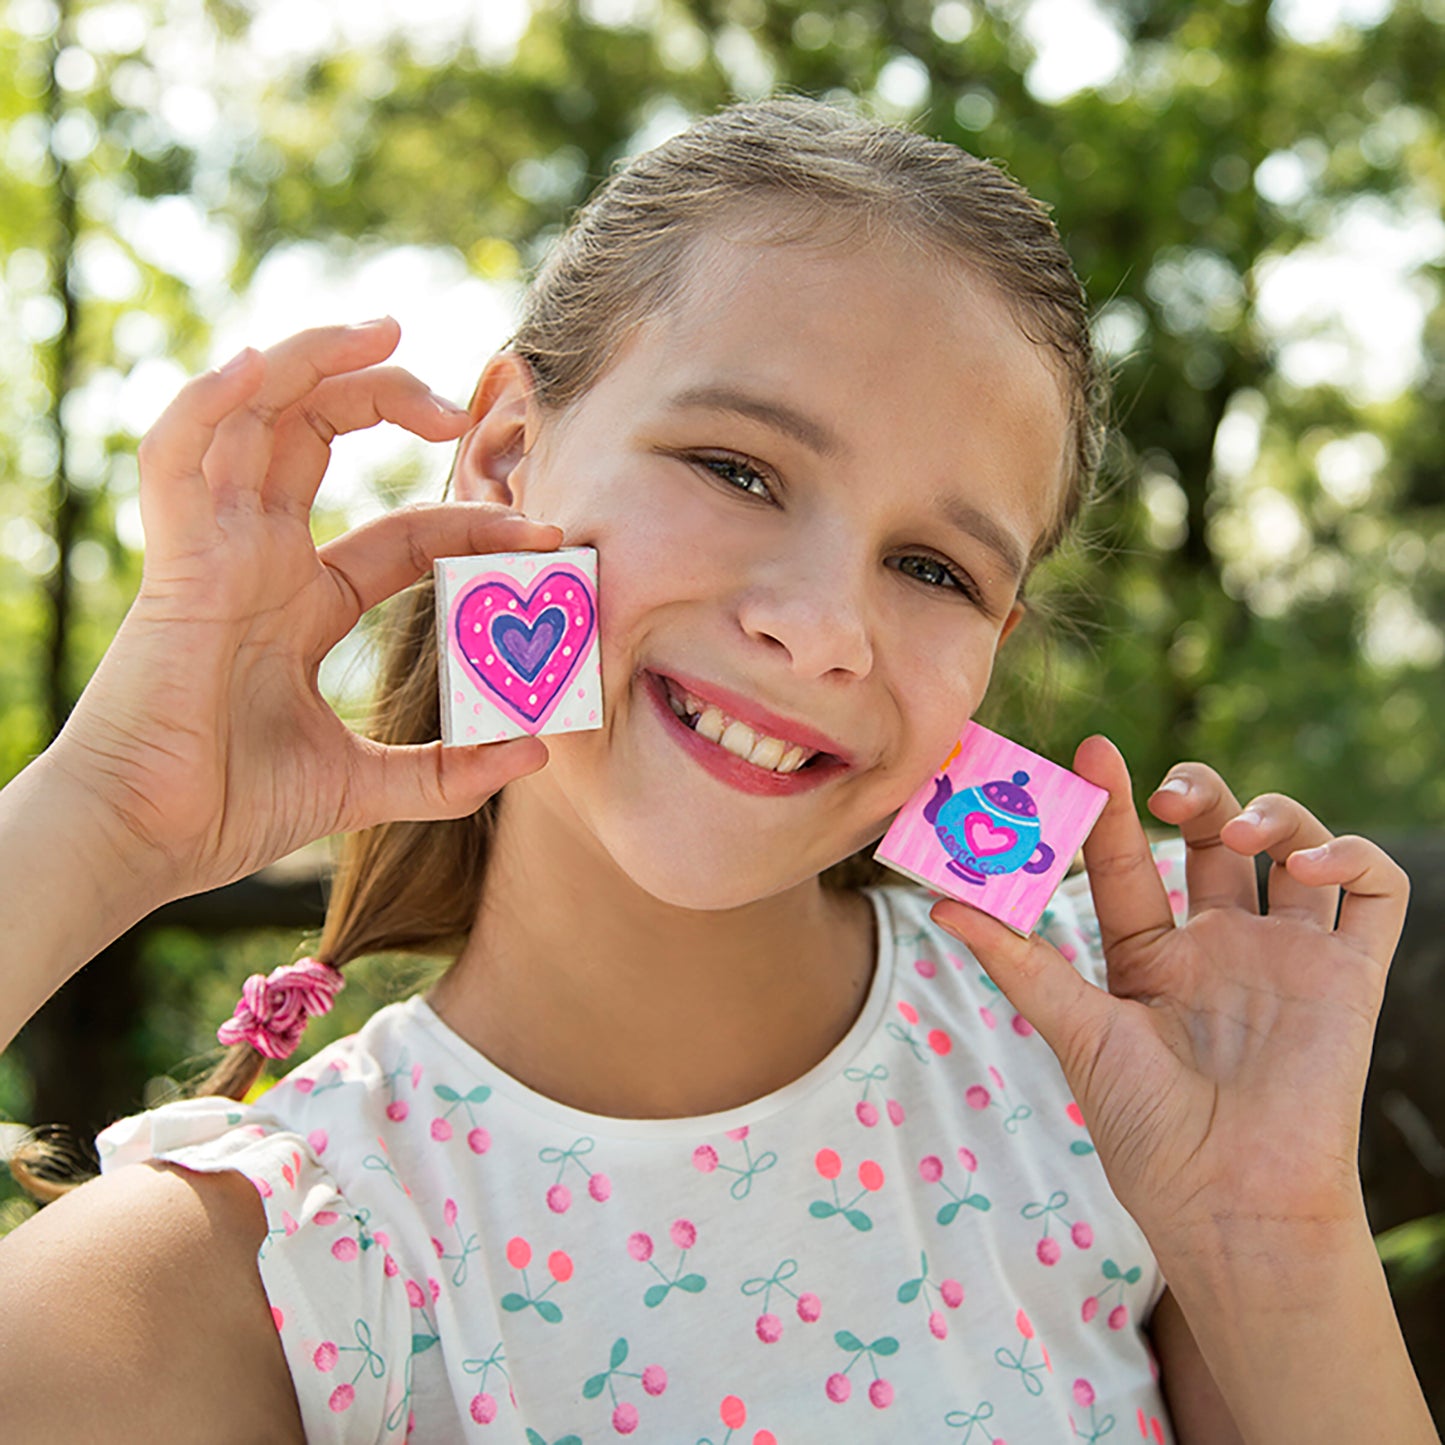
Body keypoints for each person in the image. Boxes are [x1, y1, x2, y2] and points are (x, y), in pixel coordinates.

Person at [0, 94, 1434, 1445]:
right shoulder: (250, 1269)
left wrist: (1271, 1242)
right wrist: (106, 817)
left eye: (930, 567)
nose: (819, 631)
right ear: (503, 460)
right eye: (737, 469)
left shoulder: (1108, 1073)